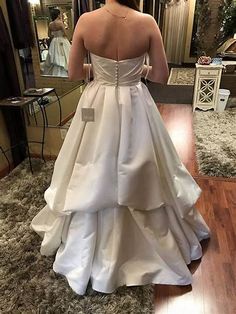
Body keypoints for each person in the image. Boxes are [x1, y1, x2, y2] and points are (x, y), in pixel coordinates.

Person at [31, 0, 210, 295]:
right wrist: (135, 69)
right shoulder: (147, 22)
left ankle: (90, 244)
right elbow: (161, 76)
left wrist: (101, 69)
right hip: (134, 101)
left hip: (96, 102)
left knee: (90, 164)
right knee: (146, 163)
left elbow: (74, 72)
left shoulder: (86, 21)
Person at [43, 8, 71, 77]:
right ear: (58, 15)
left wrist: (55, 35)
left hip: (54, 41)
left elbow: (49, 35)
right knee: (65, 55)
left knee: (54, 55)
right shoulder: (60, 23)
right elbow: (65, 34)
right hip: (62, 40)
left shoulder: (50, 24)